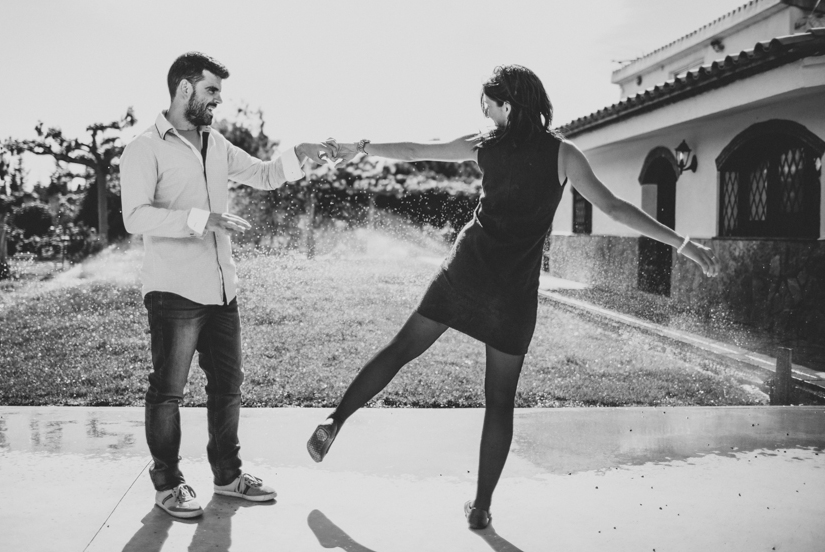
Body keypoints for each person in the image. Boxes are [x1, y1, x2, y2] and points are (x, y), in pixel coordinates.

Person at [307, 64, 719, 529]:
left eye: (488, 105)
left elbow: (418, 150)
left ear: (507, 104)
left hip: (464, 273)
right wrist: (682, 243)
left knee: (401, 349)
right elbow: (614, 208)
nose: (485, 114)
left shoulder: (486, 145)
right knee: (500, 401)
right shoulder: (564, 155)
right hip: (513, 293)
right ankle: (481, 508)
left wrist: (359, 147)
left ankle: (336, 420)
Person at [120, 52, 330, 519]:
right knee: (168, 391)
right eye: (211, 90)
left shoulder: (215, 144)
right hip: (173, 290)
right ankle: (168, 484)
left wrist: (301, 153)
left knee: (227, 387)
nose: (218, 100)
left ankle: (228, 476)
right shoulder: (144, 148)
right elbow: (134, 216)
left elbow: (265, 175)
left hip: (222, 290)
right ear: (185, 88)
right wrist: (203, 219)